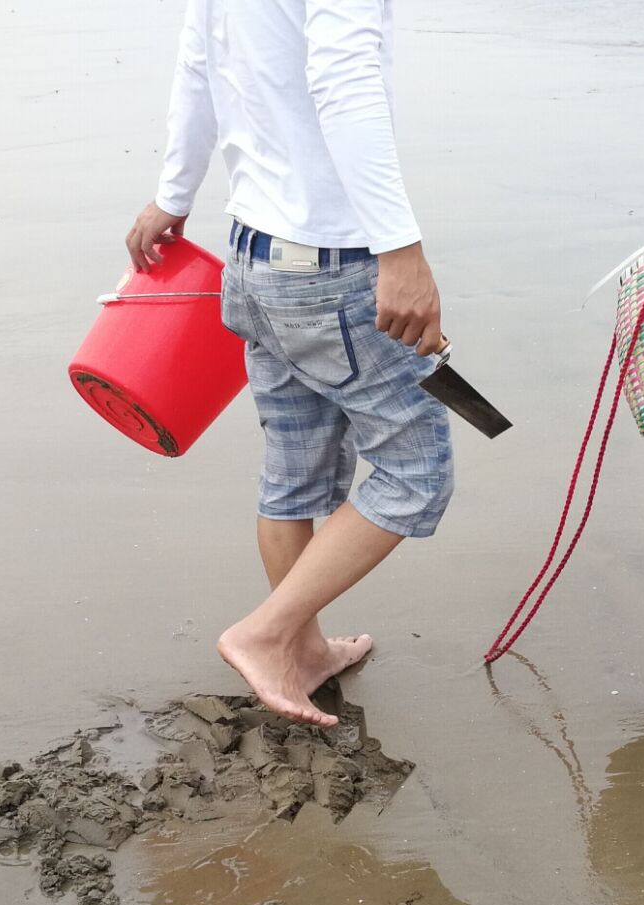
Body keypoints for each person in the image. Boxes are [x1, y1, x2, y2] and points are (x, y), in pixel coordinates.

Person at [125, 0, 453, 727]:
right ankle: (267, 634)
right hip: (329, 262)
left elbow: (198, 63)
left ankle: (300, 651)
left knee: (293, 467)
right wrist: (399, 248)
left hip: (252, 254)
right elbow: (344, 78)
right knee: (415, 471)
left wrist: (173, 196)